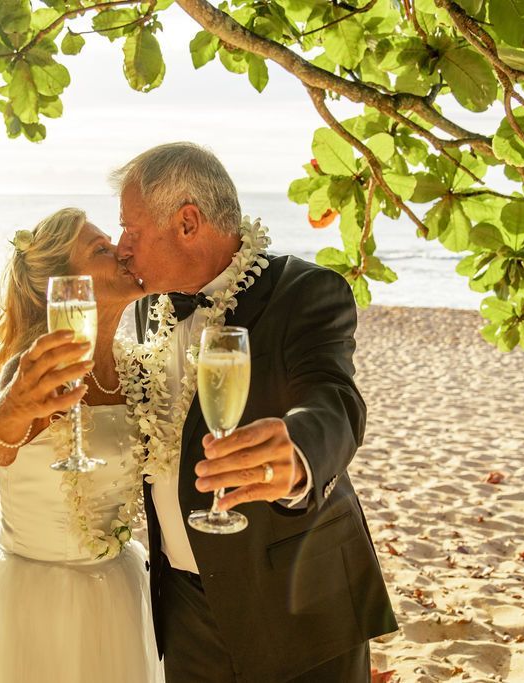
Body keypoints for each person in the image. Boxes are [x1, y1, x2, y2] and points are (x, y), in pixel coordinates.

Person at [113, 142, 398, 682]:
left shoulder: (307, 292)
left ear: (188, 222)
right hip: (183, 605)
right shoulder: (152, 305)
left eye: (131, 228)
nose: (121, 246)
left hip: (296, 602)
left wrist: (298, 455)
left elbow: (334, 399)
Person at [0, 208, 162, 682]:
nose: (121, 252)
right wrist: (12, 407)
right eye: (100, 250)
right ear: (65, 288)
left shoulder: (136, 370)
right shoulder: (38, 368)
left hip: (119, 588)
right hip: (34, 601)